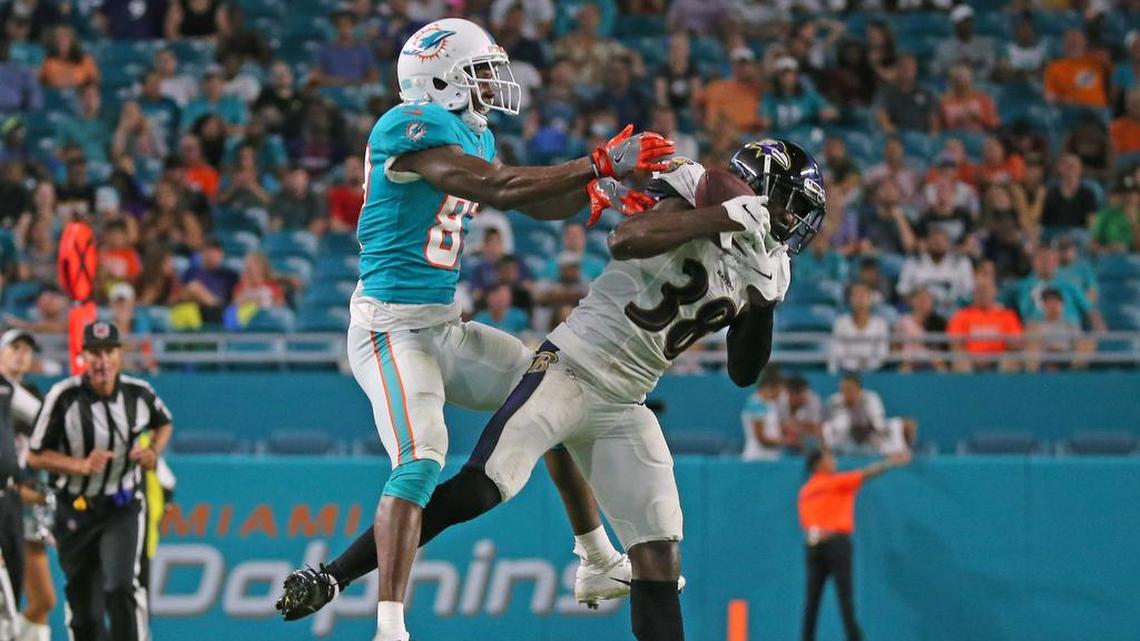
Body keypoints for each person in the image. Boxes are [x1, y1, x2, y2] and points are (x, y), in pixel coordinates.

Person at [277, 138, 825, 641]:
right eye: (791, 205)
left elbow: (743, 372)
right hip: (569, 368)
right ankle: (333, 575)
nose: (793, 223)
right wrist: (719, 219)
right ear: (762, 186)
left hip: (626, 402)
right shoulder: (697, 189)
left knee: (659, 556)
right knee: (479, 489)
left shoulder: (771, 265)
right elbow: (627, 238)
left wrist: (763, 304)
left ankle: (598, 561)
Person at [273, 19, 675, 640]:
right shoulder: (406, 128)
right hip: (390, 332)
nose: (491, 85)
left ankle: (596, 559)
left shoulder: (469, 135)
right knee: (422, 459)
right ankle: (390, 628)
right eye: (479, 72)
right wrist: (593, 162)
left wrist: (594, 185)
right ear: (439, 79)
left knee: (555, 386)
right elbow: (500, 189)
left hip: (442, 327)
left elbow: (524, 196)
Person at [27, 321, 173, 641]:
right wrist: (78, 465)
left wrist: (153, 453)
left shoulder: (139, 394)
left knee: (121, 587)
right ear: (83, 357)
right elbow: (34, 455)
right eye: (94, 352)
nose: (102, 360)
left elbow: (164, 423)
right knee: (85, 611)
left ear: (119, 354)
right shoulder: (63, 397)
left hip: (122, 505)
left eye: (108, 351)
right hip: (75, 509)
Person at [799, 447, 911, 641]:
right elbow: (867, 473)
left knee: (840, 601)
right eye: (829, 458)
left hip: (828, 546)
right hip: (824, 547)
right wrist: (891, 461)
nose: (833, 461)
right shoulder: (816, 488)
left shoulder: (816, 488)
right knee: (819, 601)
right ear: (819, 464)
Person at [0, 329, 42, 641]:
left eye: (27, 349)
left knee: (18, 587)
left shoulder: (23, 394)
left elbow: (45, 426)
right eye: (14, 347)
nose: (21, 354)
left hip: (15, 496)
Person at [948, 275, 1024, 372]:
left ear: (994, 291)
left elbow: (1015, 344)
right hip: (971, 362)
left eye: (985, 289)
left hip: (998, 361)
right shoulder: (961, 316)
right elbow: (956, 344)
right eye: (979, 290)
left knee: (1010, 360)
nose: (982, 293)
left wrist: (991, 357)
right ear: (974, 293)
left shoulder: (1007, 315)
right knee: (961, 361)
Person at [896, 228, 975, 312]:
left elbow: (969, 290)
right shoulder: (914, 261)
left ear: (949, 244)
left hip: (952, 308)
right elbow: (902, 290)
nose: (938, 244)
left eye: (942, 241)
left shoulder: (960, 261)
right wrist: (916, 302)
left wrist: (954, 302)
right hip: (919, 309)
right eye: (934, 241)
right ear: (927, 243)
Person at [829, 283, 890, 373]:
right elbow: (838, 351)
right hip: (846, 372)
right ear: (850, 300)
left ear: (870, 299)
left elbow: (882, 353)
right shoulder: (841, 323)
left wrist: (868, 365)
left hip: (874, 373)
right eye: (856, 295)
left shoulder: (880, 324)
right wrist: (855, 365)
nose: (860, 300)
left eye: (863, 295)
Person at [874, 53, 938, 135]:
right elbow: (883, 121)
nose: (908, 68)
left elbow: (934, 122)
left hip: (922, 140)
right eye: (903, 65)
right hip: (898, 139)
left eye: (911, 65)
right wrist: (897, 137)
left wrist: (931, 139)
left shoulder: (927, 93)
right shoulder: (884, 93)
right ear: (897, 69)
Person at [1044, 29, 1109, 109]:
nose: (1073, 43)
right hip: (1073, 111)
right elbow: (1049, 97)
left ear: (1085, 42)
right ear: (1064, 43)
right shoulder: (1054, 67)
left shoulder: (1099, 60)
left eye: (1076, 39)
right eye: (1069, 40)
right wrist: (1065, 100)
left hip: (1100, 111)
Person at [741, 367, 785, 461]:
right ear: (770, 387)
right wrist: (785, 442)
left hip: (773, 457)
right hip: (756, 457)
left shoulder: (771, 404)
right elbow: (761, 438)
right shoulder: (756, 403)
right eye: (779, 390)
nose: (780, 394)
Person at [1090, 173, 1140, 254]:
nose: (1127, 197)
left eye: (1132, 193)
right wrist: (1106, 249)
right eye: (1122, 193)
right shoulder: (1105, 214)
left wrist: (1133, 223)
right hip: (1108, 258)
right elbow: (1093, 244)